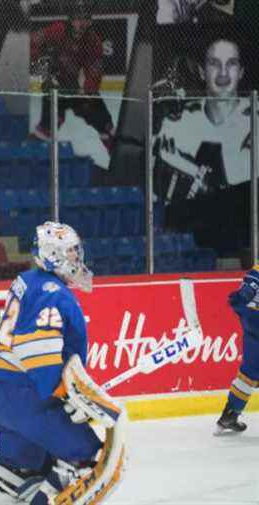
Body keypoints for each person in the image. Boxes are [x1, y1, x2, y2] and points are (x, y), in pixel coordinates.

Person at [0, 222, 126, 505]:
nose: (77, 259)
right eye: (71, 253)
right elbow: (36, 349)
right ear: (53, 255)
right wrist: (61, 392)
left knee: (17, 466)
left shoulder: (30, 280)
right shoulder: (52, 292)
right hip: (28, 399)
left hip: (0, 395)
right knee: (84, 455)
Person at [154, 37, 254, 255]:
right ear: (201, 71)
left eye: (232, 64)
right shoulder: (178, 124)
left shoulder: (254, 118)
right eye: (214, 64)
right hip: (198, 237)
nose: (223, 73)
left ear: (242, 72)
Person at [29, 2, 114, 153]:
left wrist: (88, 92)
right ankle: (40, 141)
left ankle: (113, 147)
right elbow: (32, 41)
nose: (81, 24)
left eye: (85, 20)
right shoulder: (58, 29)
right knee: (50, 120)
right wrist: (44, 71)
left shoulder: (94, 42)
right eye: (78, 19)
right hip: (53, 78)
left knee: (105, 123)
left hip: (75, 84)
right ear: (70, 20)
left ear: (90, 22)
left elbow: (94, 72)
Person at [215, 264, 259, 434]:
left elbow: (245, 293)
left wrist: (240, 300)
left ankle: (229, 415)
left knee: (248, 374)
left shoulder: (256, 270)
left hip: (252, 328)